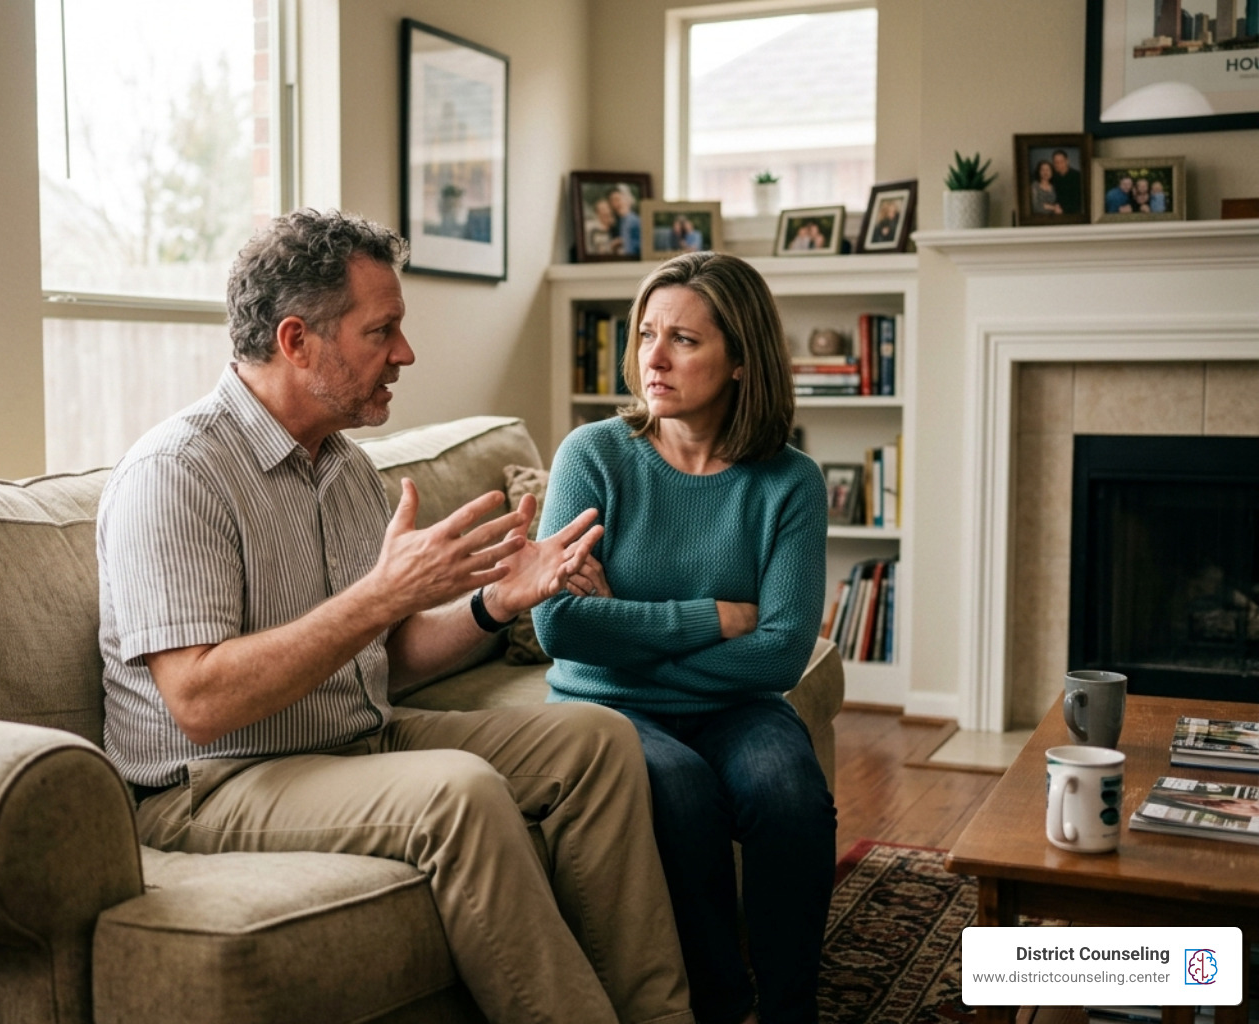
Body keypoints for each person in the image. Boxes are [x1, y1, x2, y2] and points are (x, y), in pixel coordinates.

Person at [97, 208, 695, 1024]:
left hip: (351, 739)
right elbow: (200, 702)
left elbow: (386, 660)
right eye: (382, 331)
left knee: (597, 741)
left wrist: (494, 603)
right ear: (296, 340)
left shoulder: (344, 468)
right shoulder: (177, 474)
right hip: (214, 781)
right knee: (459, 792)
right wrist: (380, 595)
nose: (405, 353)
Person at [533, 252, 836, 1024]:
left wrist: (625, 625)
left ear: (742, 360)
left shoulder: (790, 481)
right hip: (608, 707)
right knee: (683, 792)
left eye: (685, 340)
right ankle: (720, 1005)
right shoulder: (592, 455)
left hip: (736, 706)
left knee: (791, 795)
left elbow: (782, 651)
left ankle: (791, 1009)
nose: (655, 359)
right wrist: (714, 617)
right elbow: (557, 624)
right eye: (646, 335)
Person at [608, 185, 643, 256]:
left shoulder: (633, 220)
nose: (616, 204)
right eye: (612, 201)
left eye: (617, 199)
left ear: (627, 199)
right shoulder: (621, 221)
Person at [1050, 149, 1083, 214]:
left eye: (1061, 161)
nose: (1059, 165)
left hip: (1074, 213)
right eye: (1056, 162)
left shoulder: (1078, 176)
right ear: (1053, 163)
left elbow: (1079, 201)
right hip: (1055, 211)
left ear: (1067, 161)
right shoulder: (1051, 177)